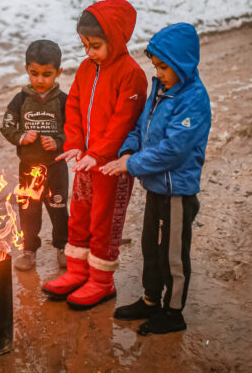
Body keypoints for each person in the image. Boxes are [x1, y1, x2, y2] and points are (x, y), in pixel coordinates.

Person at [103, 22, 211, 335]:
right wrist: (127, 150)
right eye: (156, 66)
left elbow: (173, 151)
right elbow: (140, 127)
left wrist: (131, 165)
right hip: (155, 187)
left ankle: (173, 312)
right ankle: (150, 301)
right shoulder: (160, 90)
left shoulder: (193, 99)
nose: (159, 73)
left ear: (183, 64)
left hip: (177, 192)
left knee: (172, 255)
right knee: (150, 247)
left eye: (164, 67)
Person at [42, 0, 147, 310]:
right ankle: (78, 271)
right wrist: (74, 142)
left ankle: (102, 280)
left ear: (115, 39)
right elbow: (73, 105)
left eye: (96, 46)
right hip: (87, 160)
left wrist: (99, 154)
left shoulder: (131, 75)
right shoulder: (88, 69)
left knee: (105, 220)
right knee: (81, 215)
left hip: (112, 166)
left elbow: (123, 122)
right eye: (85, 45)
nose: (89, 53)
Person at [0, 39, 69, 271]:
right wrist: (21, 137)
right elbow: (7, 126)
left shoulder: (63, 101)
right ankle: (29, 250)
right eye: (34, 73)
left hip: (56, 167)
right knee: (29, 211)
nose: (40, 80)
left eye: (47, 74)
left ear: (58, 72)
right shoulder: (20, 100)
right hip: (28, 168)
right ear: (26, 70)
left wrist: (59, 141)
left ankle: (63, 247)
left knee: (58, 209)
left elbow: (75, 130)